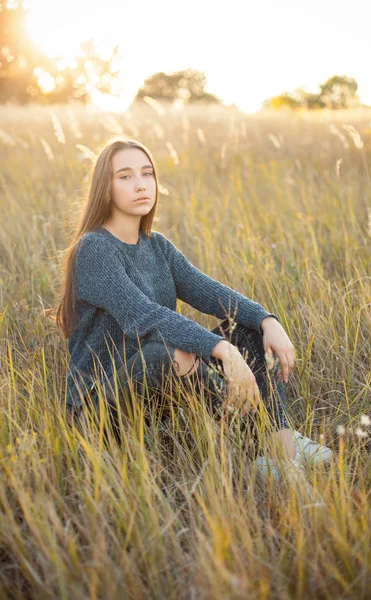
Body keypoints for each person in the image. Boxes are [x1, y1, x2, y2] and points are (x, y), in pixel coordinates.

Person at [53, 135, 333, 481]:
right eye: (125, 176)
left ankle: (281, 451)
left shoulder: (157, 246)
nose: (141, 185)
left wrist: (266, 320)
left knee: (247, 330)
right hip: (98, 410)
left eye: (147, 174)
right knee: (166, 351)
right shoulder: (94, 248)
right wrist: (223, 352)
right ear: (104, 187)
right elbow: (144, 316)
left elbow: (210, 293)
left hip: (155, 395)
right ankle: (255, 446)